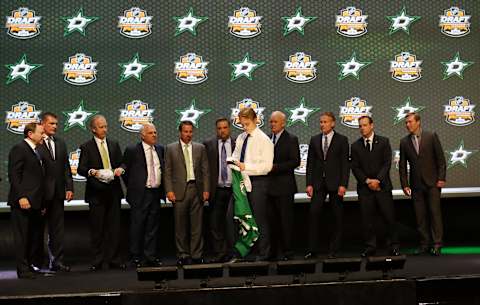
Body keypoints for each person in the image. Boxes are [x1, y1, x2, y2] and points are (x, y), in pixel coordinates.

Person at [78, 115, 125, 271]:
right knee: (97, 229)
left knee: (114, 228)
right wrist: (92, 172)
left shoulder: (114, 144)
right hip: (96, 193)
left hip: (113, 192)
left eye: (105, 126)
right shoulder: (86, 147)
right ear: (93, 129)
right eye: (101, 127)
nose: (105, 129)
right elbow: (81, 169)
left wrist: (121, 169)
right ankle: (97, 261)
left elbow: (122, 162)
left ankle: (114, 260)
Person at [350, 116, 400, 257]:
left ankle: (393, 245)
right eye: (360, 126)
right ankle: (370, 246)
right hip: (365, 189)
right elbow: (355, 167)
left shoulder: (384, 142)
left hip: (382, 187)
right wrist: (367, 181)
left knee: (389, 217)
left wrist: (377, 180)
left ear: (372, 125)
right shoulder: (355, 146)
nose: (362, 128)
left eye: (365, 125)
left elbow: (386, 163)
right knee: (367, 220)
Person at [399, 112, 447, 256]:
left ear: (418, 122)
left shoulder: (431, 136)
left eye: (410, 122)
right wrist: (404, 184)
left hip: (432, 183)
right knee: (420, 217)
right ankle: (424, 244)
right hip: (416, 185)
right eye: (406, 123)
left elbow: (441, 160)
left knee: (434, 214)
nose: (408, 125)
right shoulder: (404, 142)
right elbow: (402, 165)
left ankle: (437, 244)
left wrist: (441, 178)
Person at [164, 121, 210, 265]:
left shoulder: (200, 148)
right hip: (178, 192)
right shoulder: (170, 148)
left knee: (197, 226)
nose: (188, 134)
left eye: (190, 131)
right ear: (180, 132)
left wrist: (206, 190)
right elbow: (167, 172)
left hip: (196, 190)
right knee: (180, 227)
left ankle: (196, 255)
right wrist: (169, 190)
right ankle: (183, 255)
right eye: (185, 131)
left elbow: (206, 171)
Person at [305, 112, 349, 259]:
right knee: (313, 214)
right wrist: (309, 183)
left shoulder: (342, 140)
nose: (322, 124)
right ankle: (313, 249)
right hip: (318, 183)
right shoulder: (314, 139)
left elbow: (345, 164)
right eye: (321, 122)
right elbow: (310, 163)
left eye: (325, 122)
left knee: (337, 217)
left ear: (333, 123)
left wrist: (343, 184)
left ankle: (334, 249)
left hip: (336, 183)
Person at [232, 107, 274, 261]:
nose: (245, 127)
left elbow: (267, 167)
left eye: (247, 124)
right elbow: (236, 156)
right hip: (241, 182)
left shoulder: (264, 140)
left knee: (259, 218)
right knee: (240, 216)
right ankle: (242, 251)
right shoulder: (241, 138)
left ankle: (264, 253)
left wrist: (246, 167)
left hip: (258, 183)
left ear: (256, 120)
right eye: (242, 124)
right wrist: (233, 162)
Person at [122, 123, 165, 267]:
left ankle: (150, 256)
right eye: (151, 133)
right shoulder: (132, 150)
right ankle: (135, 257)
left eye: (155, 132)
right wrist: (135, 188)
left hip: (155, 193)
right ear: (142, 135)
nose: (154, 135)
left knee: (152, 227)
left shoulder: (160, 149)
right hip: (140, 195)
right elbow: (125, 172)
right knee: (137, 226)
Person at [36, 112, 74, 272]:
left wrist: (70, 187)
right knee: (37, 230)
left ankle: (57, 262)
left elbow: (66, 167)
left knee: (57, 230)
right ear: (42, 124)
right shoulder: (35, 143)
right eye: (51, 123)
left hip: (58, 194)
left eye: (56, 124)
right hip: (40, 195)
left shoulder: (60, 143)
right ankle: (37, 262)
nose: (55, 127)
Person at [8, 122, 45, 279]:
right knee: (22, 236)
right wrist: (22, 196)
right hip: (22, 201)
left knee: (32, 236)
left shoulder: (36, 151)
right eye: (41, 132)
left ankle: (29, 265)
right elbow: (14, 175)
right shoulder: (19, 149)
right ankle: (22, 269)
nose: (43, 135)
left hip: (35, 202)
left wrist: (41, 203)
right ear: (30, 134)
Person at [267, 111, 300, 260]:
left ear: (283, 123)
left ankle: (288, 252)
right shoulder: (267, 139)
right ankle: (273, 252)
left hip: (285, 187)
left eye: (275, 122)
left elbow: (295, 161)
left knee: (286, 222)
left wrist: (276, 167)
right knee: (272, 222)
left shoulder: (291, 139)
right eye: (271, 122)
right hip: (269, 188)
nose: (272, 124)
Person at [203, 118, 236, 263]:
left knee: (231, 222)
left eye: (224, 128)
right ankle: (220, 253)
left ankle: (233, 253)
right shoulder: (208, 144)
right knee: (215, 223)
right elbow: (204, 170)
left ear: (229, 128)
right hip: (216, 190)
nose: (222, 130)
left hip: (233, 189)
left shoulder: (238, 143)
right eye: (219, 128)